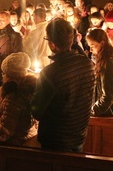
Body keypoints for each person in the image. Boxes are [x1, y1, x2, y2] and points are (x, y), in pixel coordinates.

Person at [31, 18, 95, 151]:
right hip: (79, 132)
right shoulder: (87, 64)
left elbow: (37, 111)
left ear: (52, 44)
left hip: (56, 138)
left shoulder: (50, 72)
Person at [0, 53, 38, 146]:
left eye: (4, 73)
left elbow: (5, 131)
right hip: (26, 139)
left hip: (14, 145)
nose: (2, 76)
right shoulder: (27, 90)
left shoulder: (14, 97)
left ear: (9, 76)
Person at [86, 29, 113, 117]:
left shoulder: (108, 63)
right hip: (104, 112)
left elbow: (108, 95)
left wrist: (93, 111)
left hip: (108, 113)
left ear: (102, 43)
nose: (90, 50)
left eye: (93, 46)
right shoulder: (101, 60)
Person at [0, 11, 23, 92]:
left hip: (8, 71)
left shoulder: (15, 36)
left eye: (2, 20)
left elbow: (18, 55)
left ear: (8, 20)